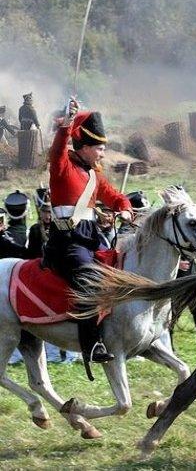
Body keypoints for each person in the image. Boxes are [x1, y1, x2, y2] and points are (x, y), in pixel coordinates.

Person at [43, 99, 133, 365]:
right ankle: (91, 345)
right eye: (100, 148)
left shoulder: (94, 176)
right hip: (68, 243)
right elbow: (59, 147)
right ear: (84, 147)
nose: (103, 154)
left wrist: (125, 209)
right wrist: (68, 122)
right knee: (90, 281)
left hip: (91, 239)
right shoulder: (62, 166)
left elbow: (114, 196)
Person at [26, 188, 52, 259]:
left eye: (49, 212)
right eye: (44, 211)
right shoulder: (34, 229)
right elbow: (31, 255)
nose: (47, 216)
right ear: (40, 211)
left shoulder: (59, 228)